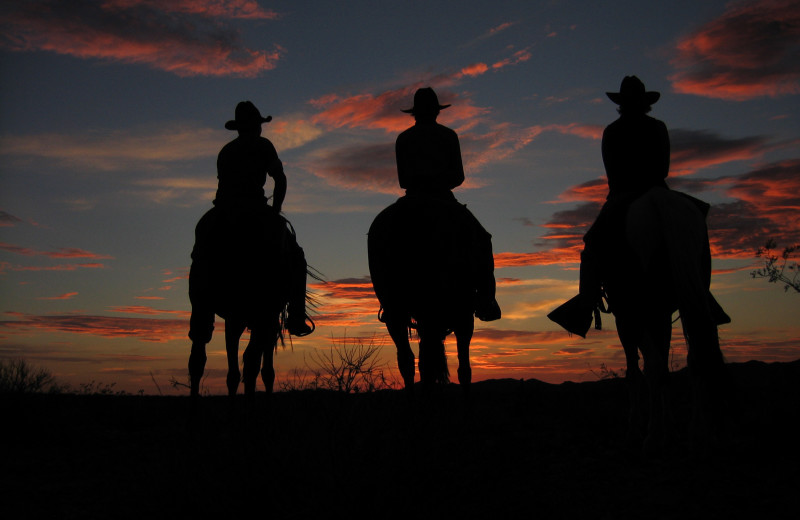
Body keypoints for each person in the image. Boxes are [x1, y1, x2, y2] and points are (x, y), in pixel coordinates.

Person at [189, 101, 313, 348]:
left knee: (201, 254)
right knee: (297, 256)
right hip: (254, 208)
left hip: (222, 208)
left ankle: (200, 313)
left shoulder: (225, 150)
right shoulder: (263, 145)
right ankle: (297, 316)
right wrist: (276, 210)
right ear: (256, 126)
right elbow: (280, 179)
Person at [395, 87, 501, 321]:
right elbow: (459, 176)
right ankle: (486, 299)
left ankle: (391, 301)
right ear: (436, 111)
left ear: (414, 112)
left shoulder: (403, 139)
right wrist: (439, 181)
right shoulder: (448, 136)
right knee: (482, 239)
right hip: (443, 198)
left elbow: (402, 179)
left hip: (411, 199)